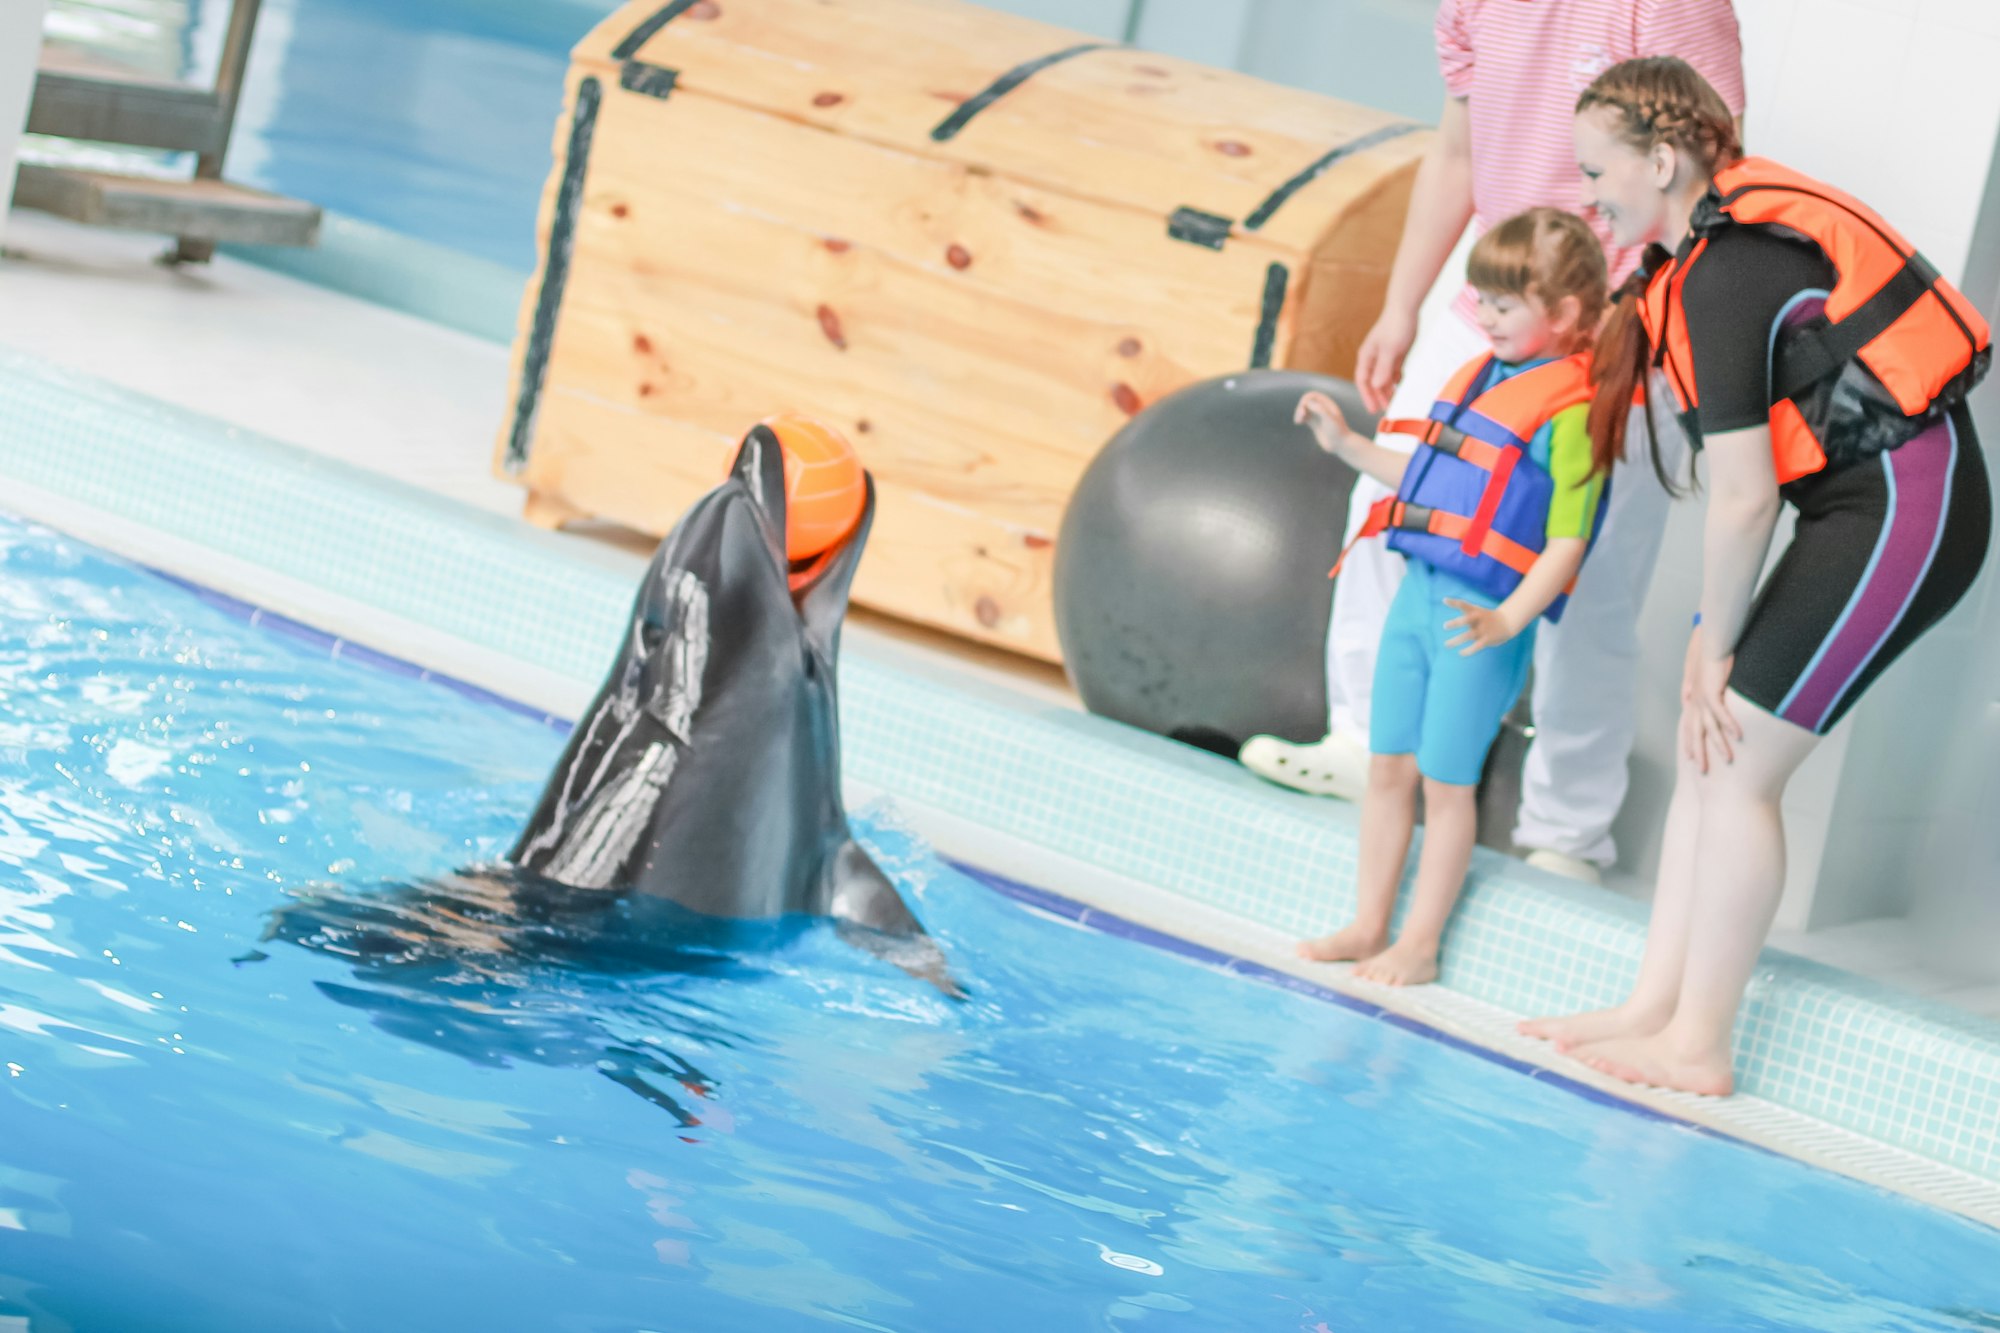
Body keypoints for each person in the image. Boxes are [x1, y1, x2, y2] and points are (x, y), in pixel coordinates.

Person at [1519, 57, 1992, 1094]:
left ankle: (1699, 1044)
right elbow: (1752, 490)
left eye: (1597, 171)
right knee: (1709, 754)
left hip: (1903, 512)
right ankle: (1656, 1007)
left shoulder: (1726, 273)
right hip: (1852, 510)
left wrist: (1709, 638)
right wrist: (1706, 633)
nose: (1587, 195)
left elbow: (1740, 496)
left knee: (1734, 764)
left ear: (1662, 155)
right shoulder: (1696, 264)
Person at [1240, 0, 1744, 885]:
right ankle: (1365, 740)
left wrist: (1637, 336)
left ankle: (1567, 831)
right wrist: (1403, 304)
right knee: (1392, 501)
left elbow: (1712, 189)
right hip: (1494, 302)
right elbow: (1458, 154)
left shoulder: (1669, 7)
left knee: (1587, 574)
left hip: (1623, 315)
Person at [1293, 208, 1612, 985]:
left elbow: (1568, 544)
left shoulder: (1571, 413)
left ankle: (1421, 942)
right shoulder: (1476, 379)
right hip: (1418, 598)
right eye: (1482, 299)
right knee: (1388, 765)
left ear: (1565, 315)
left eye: (1505, 303)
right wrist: (1349, 446)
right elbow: (1429, 480)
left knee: (1447, 780)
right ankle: (1370, 923)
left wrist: (1507, 618)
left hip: (1478, 622)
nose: (1485, 315)